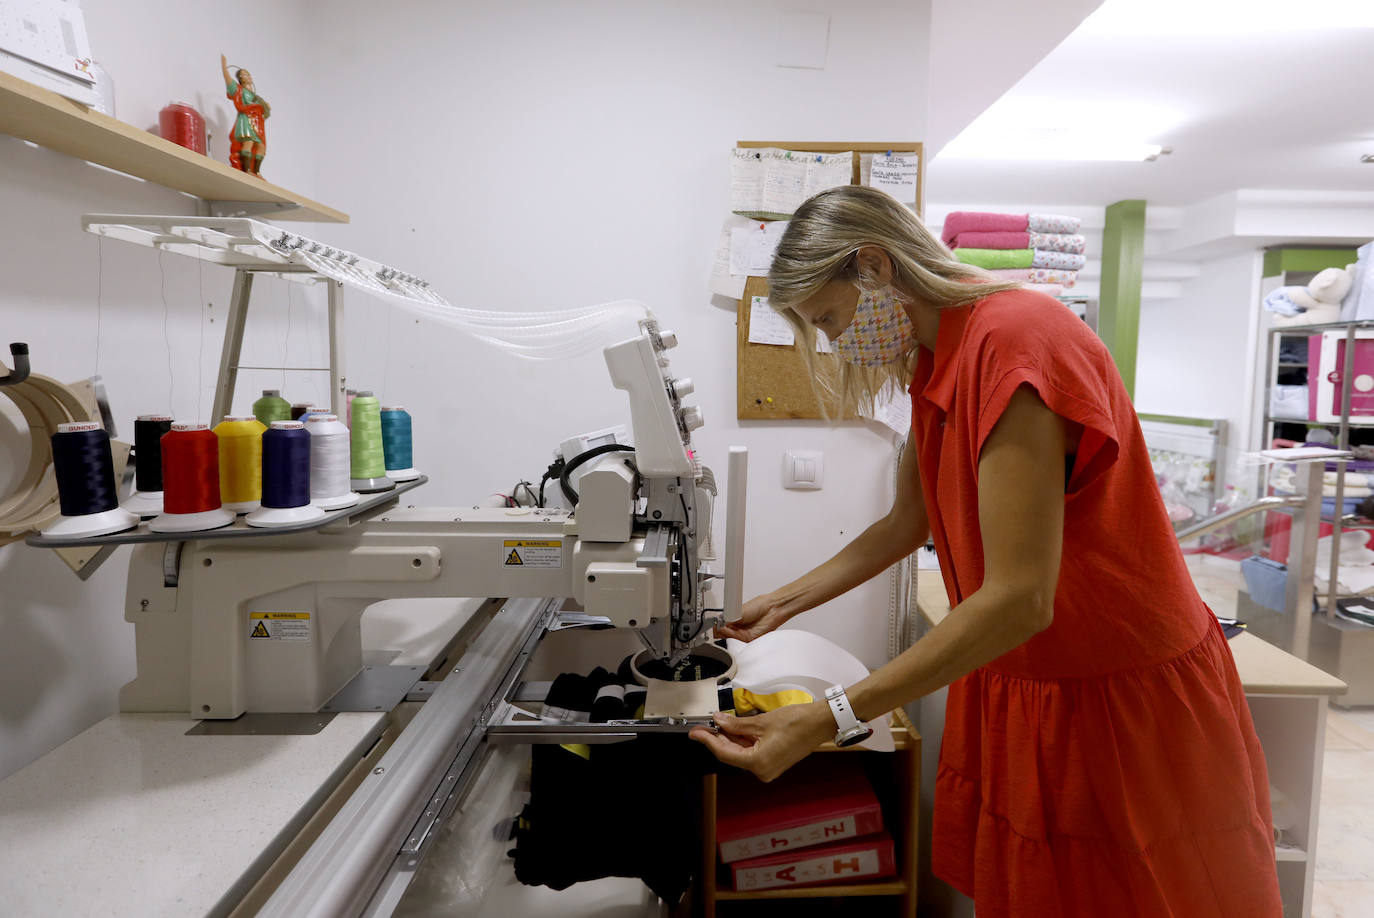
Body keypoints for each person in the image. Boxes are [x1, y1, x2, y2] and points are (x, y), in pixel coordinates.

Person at [689, 185, 1281, 916]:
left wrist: (828, 718)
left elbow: (1020, 598)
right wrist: (780, 603)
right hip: (1028, 679)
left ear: (872, 266)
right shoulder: (936, 354)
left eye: (831, 319)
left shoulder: (1017, 341)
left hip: (1114, 689)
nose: (838, 342)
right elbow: (906, 523)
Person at [220, 53, 271, 177]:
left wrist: (265, 106)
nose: (246, 76)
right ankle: (247, 170)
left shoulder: (256, 97)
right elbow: (229, 82)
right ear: (240, 79)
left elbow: (265, 110)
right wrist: (224, 67)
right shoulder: (239, 90)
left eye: (247, 74)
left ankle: (256, 171)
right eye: (243, 75)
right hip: (246, 120)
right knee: (248, 143)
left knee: (261, 147)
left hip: (257, 123)